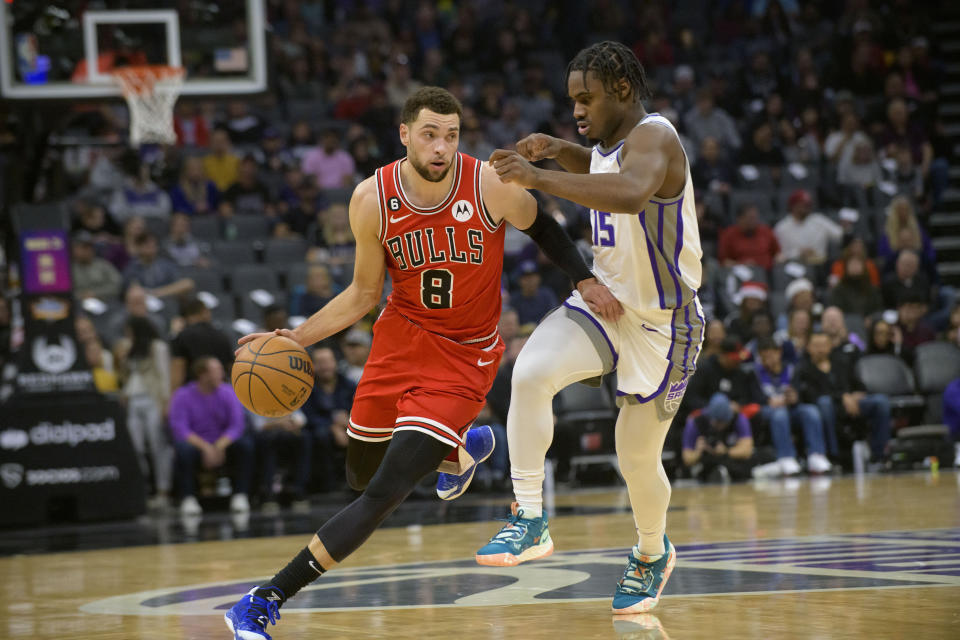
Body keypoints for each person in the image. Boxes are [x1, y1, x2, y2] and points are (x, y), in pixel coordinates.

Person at [224, 86, 618, 638]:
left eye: (451, 135)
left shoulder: (488, 184)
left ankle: (263, 598)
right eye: (430, 134)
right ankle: (458, 454)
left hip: (464, 358)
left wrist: (584, 278)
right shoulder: (370, 198)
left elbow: (545, 226)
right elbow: (363, 294)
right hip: (399, 339)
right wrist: (296, 337)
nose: (441, 147)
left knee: (384, 494)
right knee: (361, 476)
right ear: (405, 134)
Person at [461, 42, 702, 614]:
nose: (576, 109)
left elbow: (628, 192)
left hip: (665, 324)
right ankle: (528, 517)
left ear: (622, 88)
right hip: (608, 303)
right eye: (572, 99)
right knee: (530, 371)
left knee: (636, 458)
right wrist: (560, 151)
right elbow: (599, 165)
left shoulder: (656, 136)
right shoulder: (606, 144)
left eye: (585, 98)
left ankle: (651, 551)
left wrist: (538, 177)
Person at [169, 357, 254, 515]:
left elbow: (237, 425)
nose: (221, 375)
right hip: (198, 444)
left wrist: (219, 446)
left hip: (222, 443)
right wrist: (206, 448)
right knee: (182, 449)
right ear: (202, 374)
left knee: (245, 445)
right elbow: (180, 428)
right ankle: (188, 498)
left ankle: (240, 495)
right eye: (216, 371)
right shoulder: (182, 395)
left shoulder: (228, 392)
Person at [795, 332, 892, 466]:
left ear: (830, 347)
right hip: (828, 407)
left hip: (851, 403)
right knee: (825, 403)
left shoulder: (841, 362)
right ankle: (833, 456)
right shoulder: (804, 369)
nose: (820, 349)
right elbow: (811, 396)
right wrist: (842, 397)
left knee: (880, 401)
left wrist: (856, 395)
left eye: (823, 345)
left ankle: (879, 455)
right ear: (808, 348)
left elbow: (859, 385)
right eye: (816, 346)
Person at [114, 316, 172, 507]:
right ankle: (142, 489)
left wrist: (165, 403)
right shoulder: (129, 348)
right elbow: (126, 375)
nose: (127, 334)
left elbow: (164, 375)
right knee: (136, 447)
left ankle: (163, 491)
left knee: (157, 446)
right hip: (133, 400)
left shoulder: (157, 347)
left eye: (130, 330)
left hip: (152, 399)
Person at [750, 338, 831, 476]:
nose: (768, 360)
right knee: (780, 414)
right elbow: (753, 397)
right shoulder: (754, 373)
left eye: (770, 355)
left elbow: (799, 392)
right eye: (764, 357)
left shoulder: (792, 369)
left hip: (791, 409)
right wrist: (768, 401)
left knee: (810, 411)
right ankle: (786, 457)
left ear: (779, 352)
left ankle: (816, 455)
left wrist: (795, 397)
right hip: (769, 410)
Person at [300, 347, 355, 492]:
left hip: (349, 426)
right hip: (319, 430)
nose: (325, 366)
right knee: (320, 435)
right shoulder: (306, 387)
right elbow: (308, 417)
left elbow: (361, 409)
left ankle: (359, 484)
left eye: (328, 361)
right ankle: (327, 485)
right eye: (320, 362)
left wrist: (349, 422)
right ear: (313, 366)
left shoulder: (348, 384)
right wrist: (333, 426)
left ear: (335, 363)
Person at [681, 393, 757, 482]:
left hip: (730, 459)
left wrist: (726, 451)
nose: (720, 426)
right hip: (704, 462)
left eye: (723, 422)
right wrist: (698, 451)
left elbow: (747, 450)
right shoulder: (696, 422)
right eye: (717, 422)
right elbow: (687, 458)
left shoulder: (739, 418)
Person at [169, 297, 236, 390]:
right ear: (205, 312)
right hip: (219, 391)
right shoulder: (222, 335)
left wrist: (173, 399)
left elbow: (178, 371)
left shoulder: (181, 337)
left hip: (194, 394)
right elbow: (231, 369)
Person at [773, 189, 843, 265]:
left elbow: (840, 235)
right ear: (793, 206)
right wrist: (799, 253)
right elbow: (779, 255)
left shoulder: (819, 220)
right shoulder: (782, 227)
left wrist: (847, 228)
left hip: (820, 265)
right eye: (802, 204)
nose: (806, 207)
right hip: (794, 265)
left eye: (808, 204)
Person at [121, 232, 194, 301]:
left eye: (153, 244)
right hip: (145, 303)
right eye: (147, 244)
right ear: (138, 247)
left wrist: (157, 293)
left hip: (168, 301)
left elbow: (185, 284)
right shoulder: (131, 268)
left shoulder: (166, 264)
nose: (151, 247)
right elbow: (132, 290)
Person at [717, 203, 780, 270]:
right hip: (743, 273)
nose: (754, 221)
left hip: (768, 271)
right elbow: (724, 262)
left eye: (755, 217)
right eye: (750, 218)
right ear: (739, 219)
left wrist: (778, 259)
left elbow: (778, 253)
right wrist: (741, 264)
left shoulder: (766, 231)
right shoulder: (728, 235)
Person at [71, 231, 122, 301]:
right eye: (82, 247)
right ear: (74, 249)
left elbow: (117, 285)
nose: (87, 250)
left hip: (105, 302)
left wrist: (95, 293)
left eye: (89, 247)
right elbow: (64, 291)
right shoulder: (68, 269)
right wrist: (81, 295)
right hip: (78, 304)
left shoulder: (103, 265)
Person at [510, 260, 559, 325]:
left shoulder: (547, 295)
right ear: (519, 281)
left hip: (545, 330)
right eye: (526, 278)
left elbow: (555, 316)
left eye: (533, 277)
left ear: (539, 278)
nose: (530, 281)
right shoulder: (514, 299)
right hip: (521, 334)